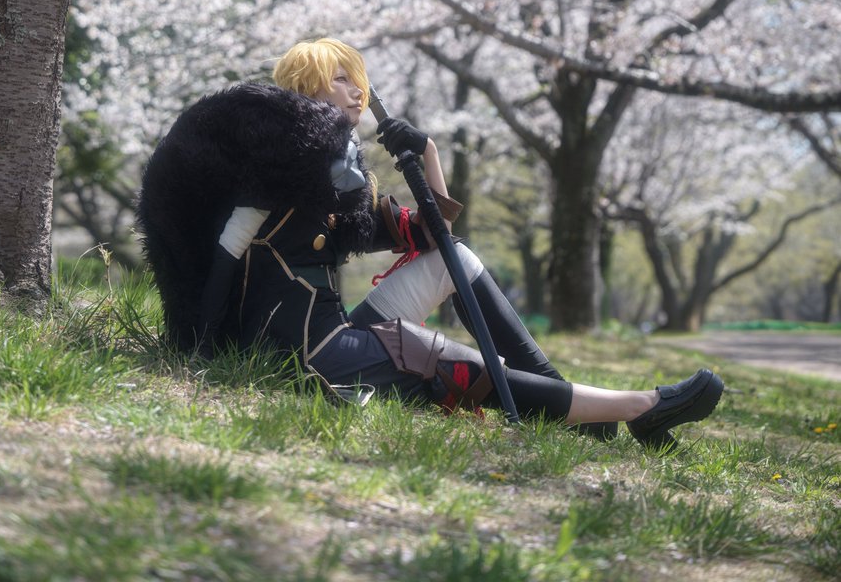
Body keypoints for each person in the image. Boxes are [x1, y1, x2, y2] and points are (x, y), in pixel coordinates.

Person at [179, 37, 724, 450]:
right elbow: (225, 260)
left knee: (454, 258)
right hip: (300, 354)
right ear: (303, 90)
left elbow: (429, 235)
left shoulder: (344, 178)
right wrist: (198, 356)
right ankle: (637, 408)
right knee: (445, 357)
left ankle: (571, 402)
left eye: (357, 79)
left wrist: (429, 155)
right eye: (340, 79)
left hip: (335, 330)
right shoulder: (270, 175)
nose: (356, 91)